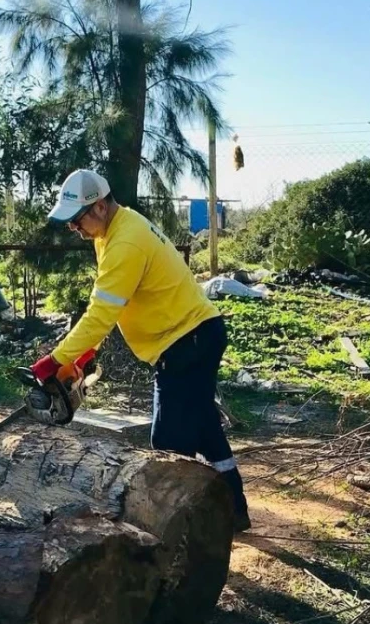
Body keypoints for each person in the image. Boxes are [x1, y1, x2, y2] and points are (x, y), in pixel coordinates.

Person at [30, 169, 251, 532]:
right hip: (192, 336)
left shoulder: (125, 242)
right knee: (204, 426)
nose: (74, 229)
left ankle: (179, 531)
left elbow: (101, 313)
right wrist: (86, 353)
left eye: (77, 220)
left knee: (167, 444)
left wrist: (57, 360)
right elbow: (110, 303)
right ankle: (234, 512)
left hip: (187, 342)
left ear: (99, 206)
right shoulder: (112, 231)